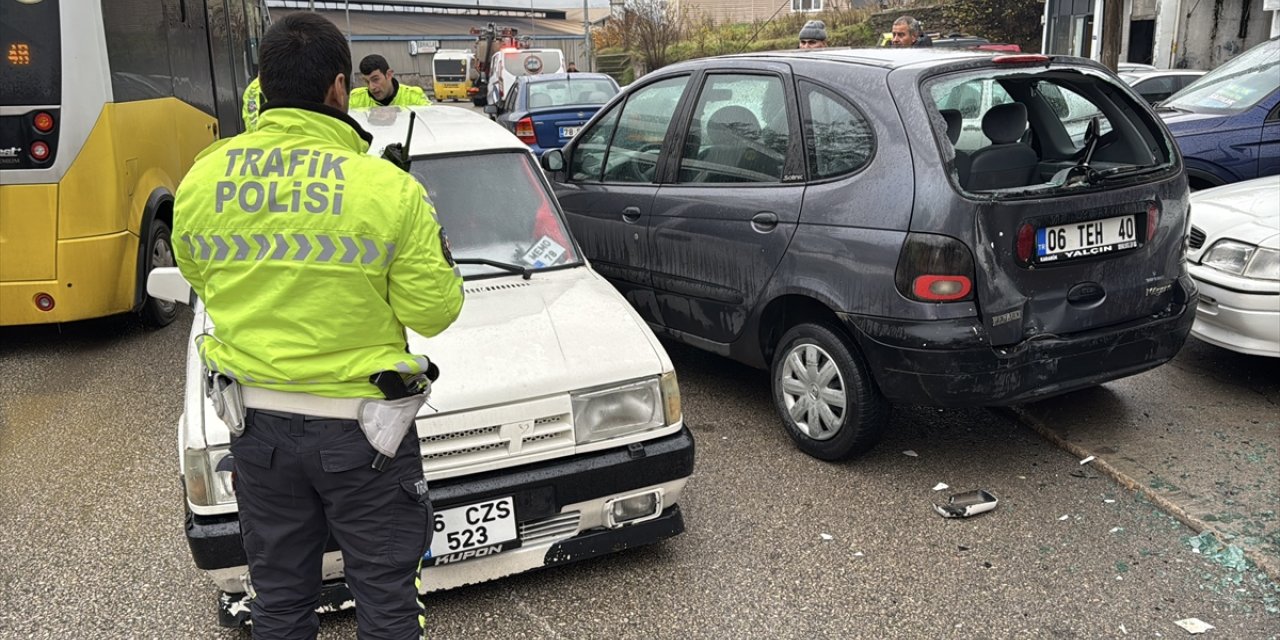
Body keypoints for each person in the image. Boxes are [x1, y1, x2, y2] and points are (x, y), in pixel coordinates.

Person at [173, 12, 464, 640]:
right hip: (366, 436)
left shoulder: (204, 175)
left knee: (277, 597)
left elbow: (200, 277)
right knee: (385, 598)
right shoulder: (385, 188)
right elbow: (434, 312)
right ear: (340, 87)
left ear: (263, 84)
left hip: (256, 429)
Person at [349, 54, 431, 108]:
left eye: (375, 79)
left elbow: (431, 120)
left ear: (389, 75)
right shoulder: (355, 99)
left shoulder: (414, 96)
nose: (371, 87)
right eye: (367, 81)